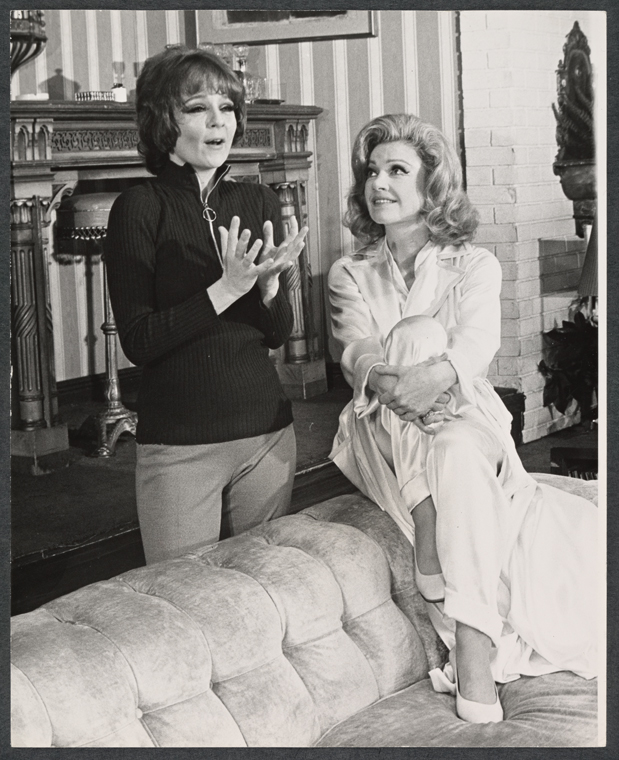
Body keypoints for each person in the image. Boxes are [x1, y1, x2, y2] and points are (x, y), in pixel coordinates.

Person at [328, 113, 597, 723]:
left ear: (433, 184)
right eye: (373, 171)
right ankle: (428, 515)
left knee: (451, 441)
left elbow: (476, 345)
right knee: (417, 337)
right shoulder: (350, 272)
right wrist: (409, 378)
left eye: (398, 170)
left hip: (462, 420)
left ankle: (472, 651)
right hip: (378, 430)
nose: (379, 183)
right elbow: (357, 353)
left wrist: (436, 378)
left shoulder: (473, 265)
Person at [105, 47, 308, 564]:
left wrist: (268, 291)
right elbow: (140, 341)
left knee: (268, 592)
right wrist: (226, 288)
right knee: (182, 603)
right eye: (197, 107)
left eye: (228, 107)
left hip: (267, 434)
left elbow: (278, 334)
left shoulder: (257, 201)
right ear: (161, 122)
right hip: (180, 447)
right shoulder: (137, 208)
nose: (219, 121)